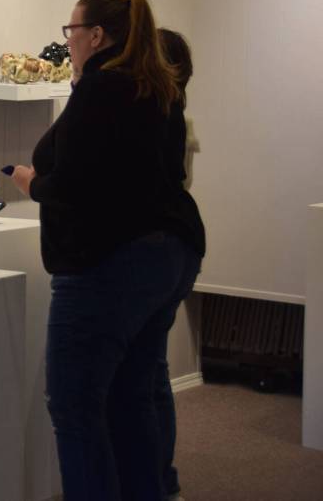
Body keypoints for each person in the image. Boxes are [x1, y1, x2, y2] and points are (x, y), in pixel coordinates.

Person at [7, 0, 205, 501]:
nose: (66, 41)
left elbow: (75, 183)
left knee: (75, 405)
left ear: (95, 35)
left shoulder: (104, 88)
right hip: (169, 251)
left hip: (109, 259)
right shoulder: (153, 85)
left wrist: (33, 186)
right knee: (132, 392)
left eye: (70, 31)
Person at [153, 28, 198, 501]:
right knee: (152, 372)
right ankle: (160, 481)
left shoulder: (162, 115)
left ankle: (154, 481)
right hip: (178, 246)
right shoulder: (176, 112)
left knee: (143, 376)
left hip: (156, 248)